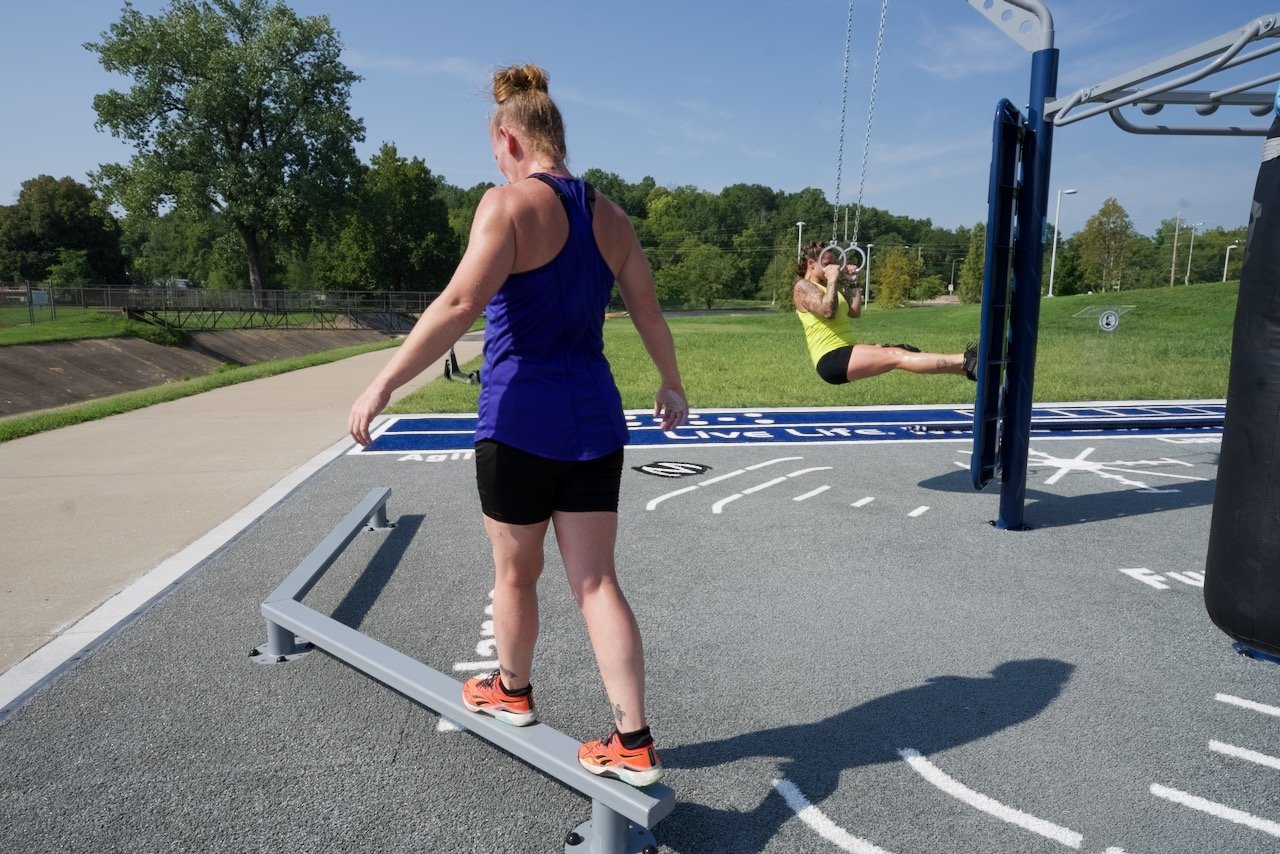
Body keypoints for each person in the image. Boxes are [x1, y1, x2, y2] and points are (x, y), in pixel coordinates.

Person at [347, 64, 687, 788]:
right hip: (594, 417)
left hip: (519, 420)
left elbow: (455, 305)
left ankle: (513, 691)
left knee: (515, 572)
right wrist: (672, 383)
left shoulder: (504, 206)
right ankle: (634, 741)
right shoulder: (613, 216)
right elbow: (650, 314)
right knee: (597, 582)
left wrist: (382, 383)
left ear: (509, 138)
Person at [792, 241, 977, 385]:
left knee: (904, 351)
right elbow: (827, 312)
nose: (833, 267)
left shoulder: (828, 287)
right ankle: (967, 360)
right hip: (831, 359)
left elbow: (854, 312)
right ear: (811, 264)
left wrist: (854, 282)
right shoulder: (802, 287)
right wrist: (833, 280)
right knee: (896, 356)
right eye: (827, 263)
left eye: (834, 263)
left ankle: (968, 370)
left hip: (846, 350)